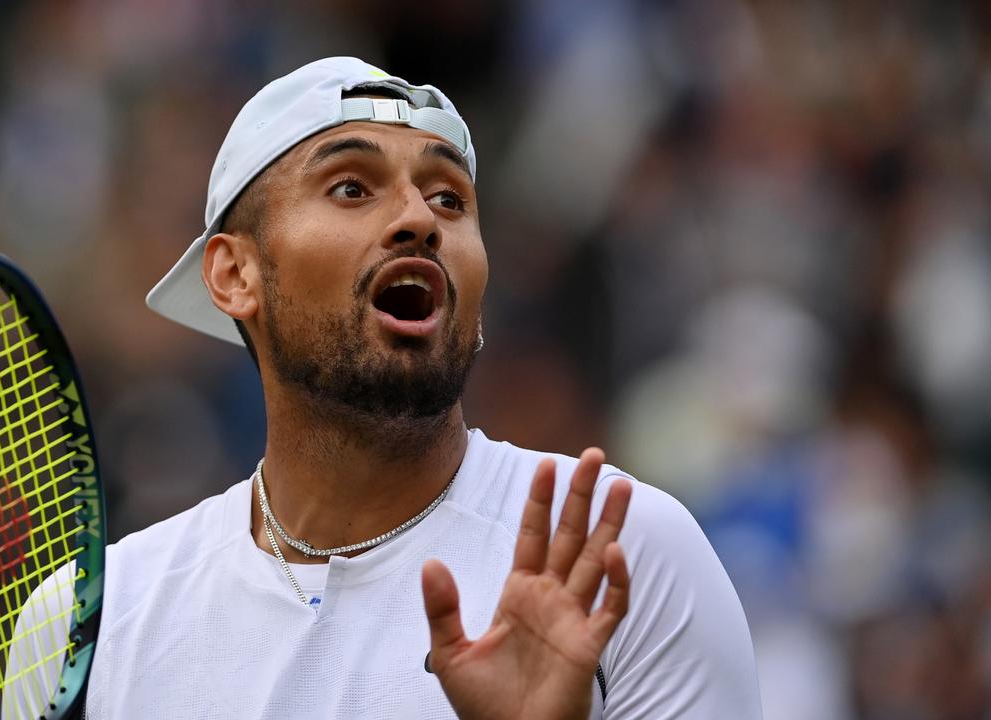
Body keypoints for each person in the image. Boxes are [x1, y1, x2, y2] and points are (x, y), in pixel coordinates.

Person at [42, 56, 761, 719]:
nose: (419, 219)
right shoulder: (90, 623)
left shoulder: (626, 555)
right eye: (351, 188)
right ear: (235, 274)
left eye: (451, 200)